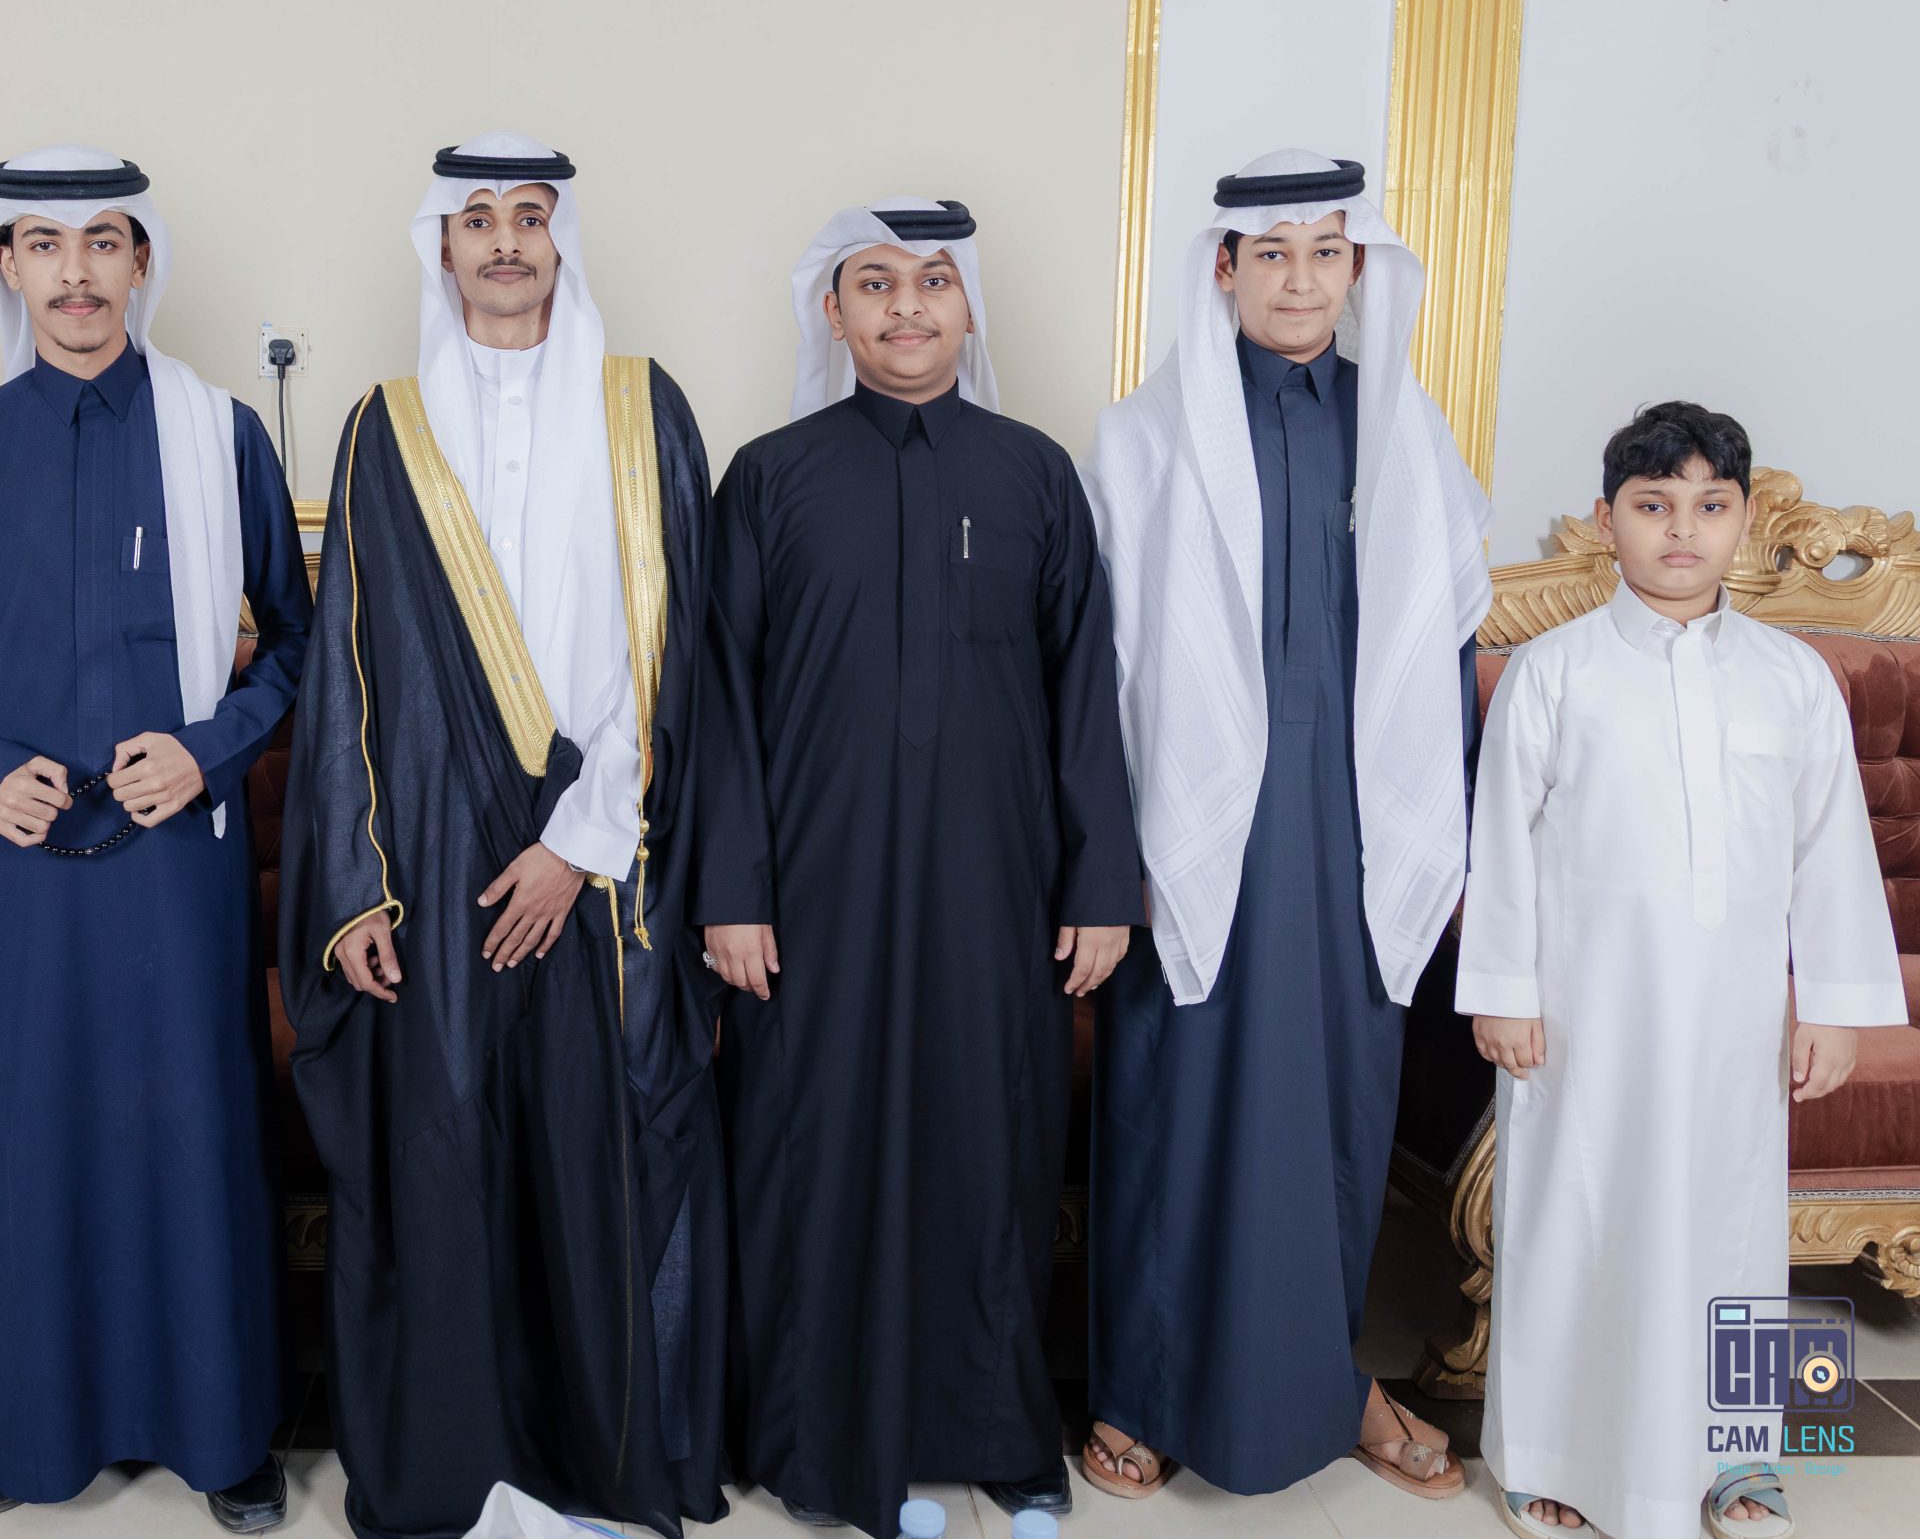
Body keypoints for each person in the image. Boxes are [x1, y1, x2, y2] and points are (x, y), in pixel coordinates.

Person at [280, 132, 727, 1539]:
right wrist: (353, 886)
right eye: (476, 219)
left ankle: (602, 1459)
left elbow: (676, 650)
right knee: (454, 1150)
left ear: (559, 239)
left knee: (605, 1156)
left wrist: (580, 839)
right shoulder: (384, 423)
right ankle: (460, 1461)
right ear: (442, 246)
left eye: (529, 215)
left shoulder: (642, 406)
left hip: (607, 868)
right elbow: (347, 664)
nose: (505, 241)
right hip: (435, 870)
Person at [694, 197, 1142, 1537]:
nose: (905, 308)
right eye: (875, 284)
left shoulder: (1035, 475)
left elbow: (1087, 694)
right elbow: (718, 699)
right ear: (832, 315)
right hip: (809, 900)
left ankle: (996, 1428)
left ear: (967, 307)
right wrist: (731, 891)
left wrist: (1099, 884)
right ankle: (807, 1428)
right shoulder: (768, 477)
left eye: (932, 282)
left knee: (989, 1149)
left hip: (995, 894)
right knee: (810, 1153)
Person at [0, 148, 311, 1527]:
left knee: (192, 1130)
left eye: (101, 244)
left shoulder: (221, 434)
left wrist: (208, 747)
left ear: (141, 262)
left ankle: (224, 1434)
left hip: (176, 862)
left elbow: (297, 644)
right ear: (8, 266)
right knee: (31, 1137)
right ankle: (28, 1433)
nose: (74, 274)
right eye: (43, 244)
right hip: (20, 865)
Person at [1083, 151, 1491, 1501]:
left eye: (1326, 252)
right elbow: (1102, 669)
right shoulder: (1145, 437)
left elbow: (1442, 652)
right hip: (1192, 836)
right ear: (1224, 268)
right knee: (1179, 1105)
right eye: (1272, 253)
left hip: (1351, 837)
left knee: (1333, 1114)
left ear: (1357, 267)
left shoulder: (1403, 429)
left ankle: (1331, 1381)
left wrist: (1439, 837)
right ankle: (1143, 1388)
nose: (1301, 280)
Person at [1460, 402, 1906, 1539]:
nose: (1680, 530)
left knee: (1736, 1231)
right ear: (1607, 518)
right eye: (1653, 505)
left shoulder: (1792, 677)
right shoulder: (1553, 673)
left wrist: (1837, 1005)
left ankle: (1744, 1459)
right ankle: (1550, 1456)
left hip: (1735, 1019)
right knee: (1573, 1220)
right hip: (1582, 1014)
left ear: (1743, 521)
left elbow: (1830, 849)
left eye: (1709, 506)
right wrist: (1503, 989)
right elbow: (1498, 842)